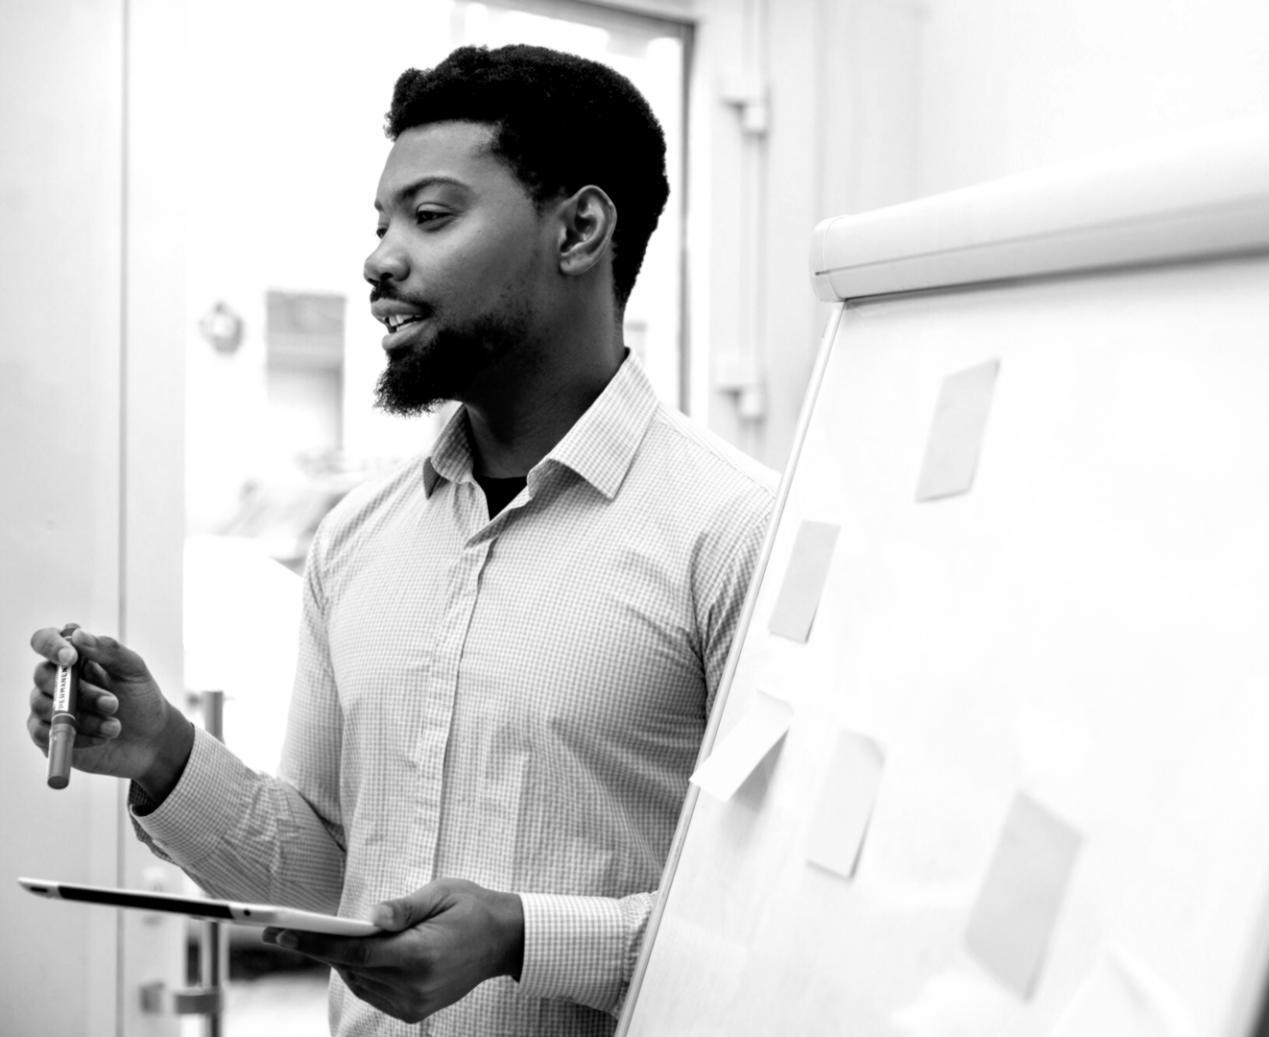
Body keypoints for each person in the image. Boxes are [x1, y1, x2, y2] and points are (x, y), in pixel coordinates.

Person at [26, 44, 774, 1036]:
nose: (380, 259)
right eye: (381, 224)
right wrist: (164, 749)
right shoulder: (356, 541)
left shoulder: (735, 533)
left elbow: (774, 931)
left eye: (430, 215)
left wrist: (519, 933)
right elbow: (336, 875)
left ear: (580, 229)